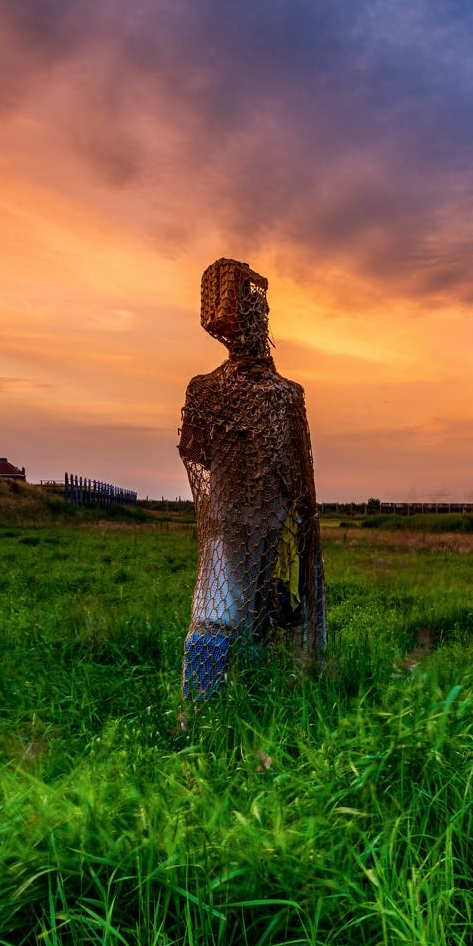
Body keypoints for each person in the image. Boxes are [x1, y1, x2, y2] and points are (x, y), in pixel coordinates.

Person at [178, 258, 326, 698]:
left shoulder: (217, 391)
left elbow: (194, 451)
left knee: (251, 617)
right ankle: (202, 715)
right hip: (248, 524)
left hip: (252, 521)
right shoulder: (272, 394)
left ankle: (244, 702)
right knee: (218, 622)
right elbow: (300, 475)